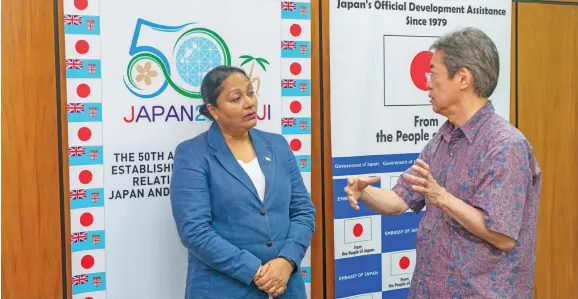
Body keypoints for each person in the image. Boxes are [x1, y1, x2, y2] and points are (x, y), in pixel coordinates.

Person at [345, 27, 542, 298]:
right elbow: (399, 200)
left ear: (463, 78)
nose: (427, 83)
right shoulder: (445, 136)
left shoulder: (506, 146)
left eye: (433, 73)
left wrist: (441, 197)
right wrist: (364, 191)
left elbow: (503, 236)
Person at [169, 65, 315, 299]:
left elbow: (303, 211)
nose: (249, 102)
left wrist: (287, 261)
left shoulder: (277, 146)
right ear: (213, 110)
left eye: (250, 93)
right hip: (223, 289)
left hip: (285, 287)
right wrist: (257, 273)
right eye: (236, 98)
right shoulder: (193, 154)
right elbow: (195, 231)